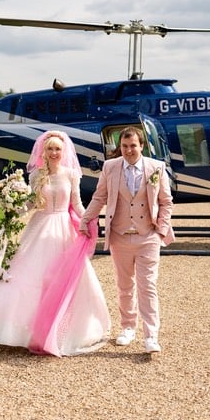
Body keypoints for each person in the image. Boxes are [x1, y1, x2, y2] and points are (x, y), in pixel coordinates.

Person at [0, 130, 110, 356]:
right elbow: (33, 203)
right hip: (40, 226)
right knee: (29, 275)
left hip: (63, 230)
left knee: (62, 278)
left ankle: (62, 330)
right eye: (50, 149)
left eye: (58, 149)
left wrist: (88, 220)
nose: (54, 153)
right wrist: (13, 209)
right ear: (43, 152)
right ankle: (22, 331)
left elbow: (76, 203)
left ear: (63, 151)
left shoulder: (71, 174)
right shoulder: (36, 175)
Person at [80, 126, 174, 353]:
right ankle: (128, 328)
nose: (129, 150)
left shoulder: (157, 167)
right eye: (124, 146)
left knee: (148, 286)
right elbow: (100, 196)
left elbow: (166, 201)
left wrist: (160, 231)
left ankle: (151, 335)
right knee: (124, 286)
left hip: (148, 236)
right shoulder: (110, 167)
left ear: (141, 146)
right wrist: (85, 219)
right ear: (119, 147)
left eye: (133, 145)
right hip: (120, 236)